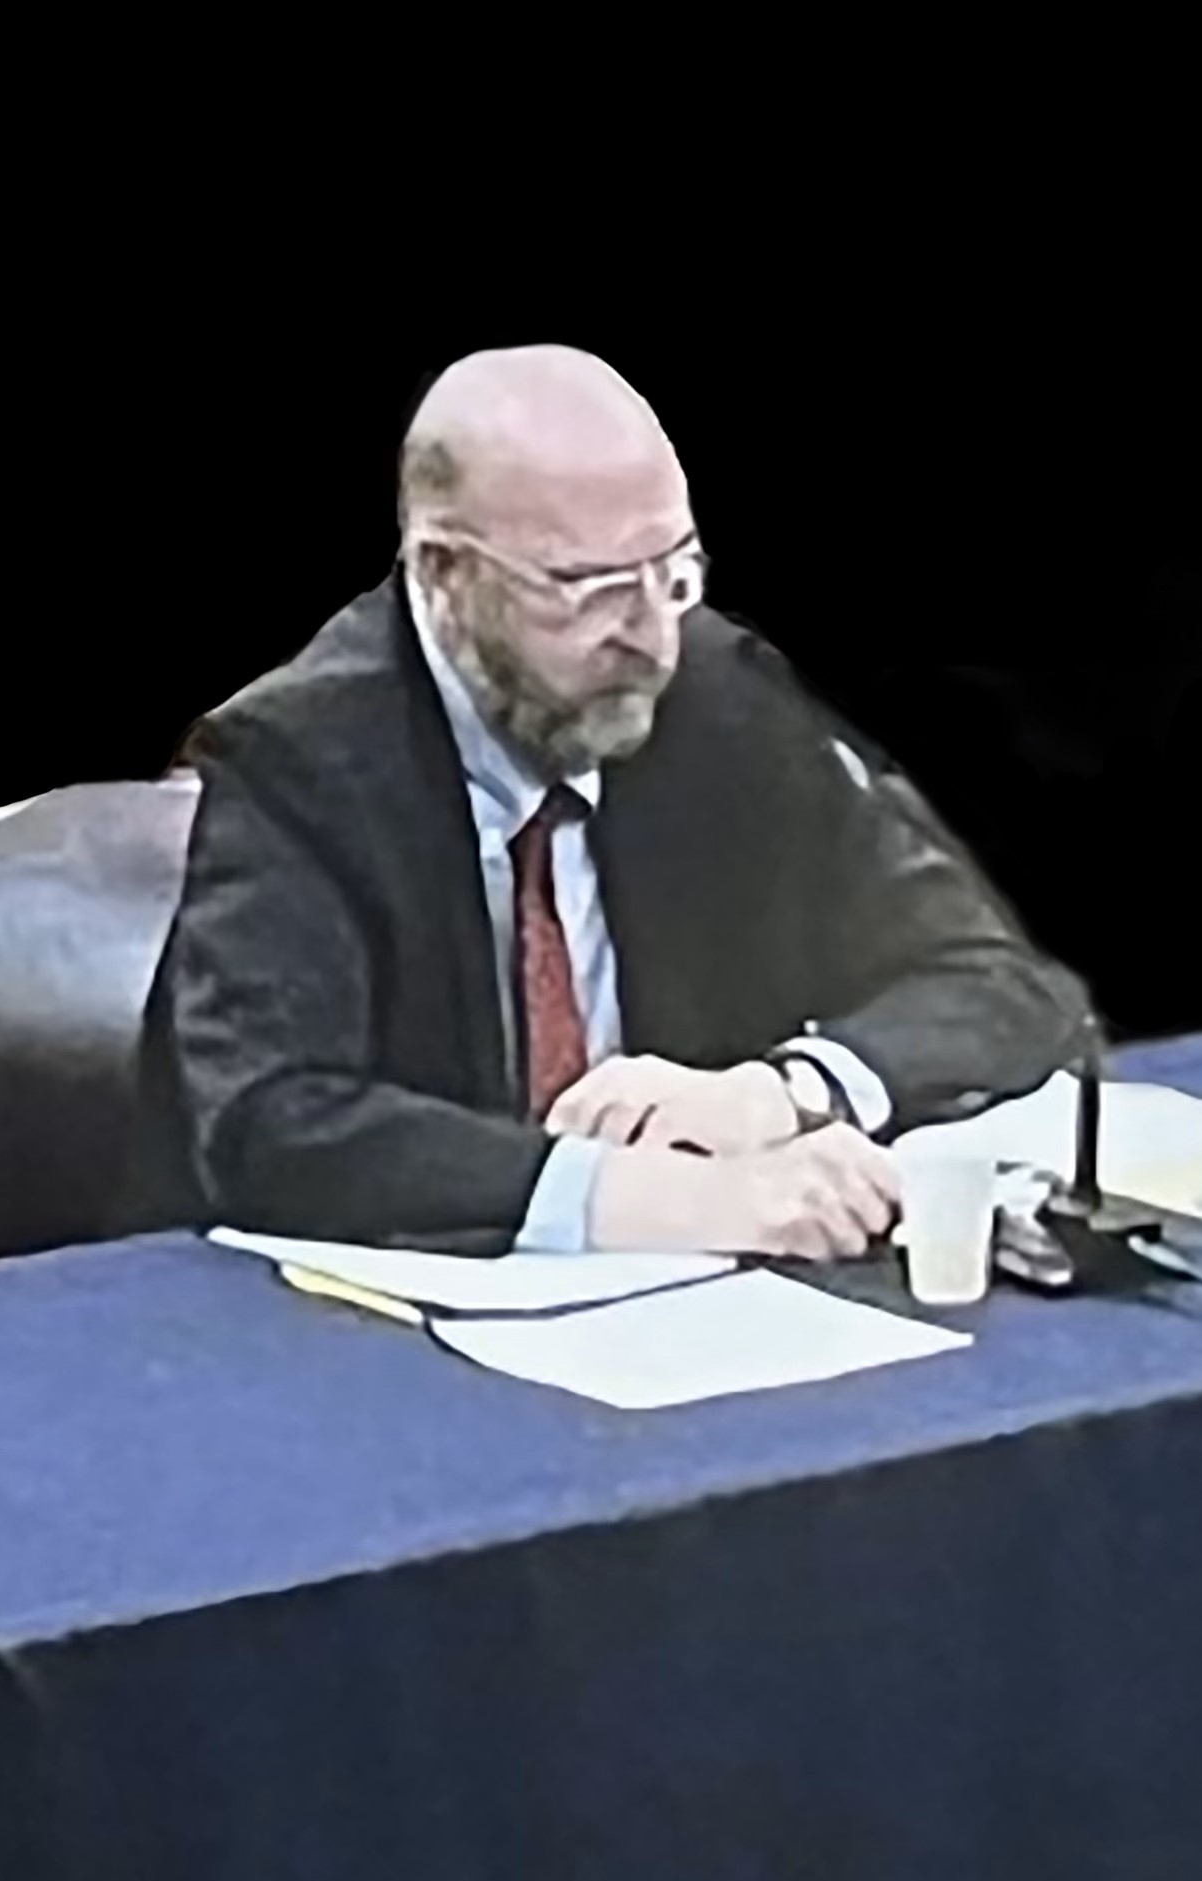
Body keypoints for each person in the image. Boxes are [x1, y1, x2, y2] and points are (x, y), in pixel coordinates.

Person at [135, 345, 1094, 1262]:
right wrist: (645, 1197)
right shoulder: (299, 762)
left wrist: (785, 1091)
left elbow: (1000, 986)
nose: (648, 636)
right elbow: (269, 1124)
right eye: (586, 586)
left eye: (672, 570)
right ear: (444, 572)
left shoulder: (715, 699)